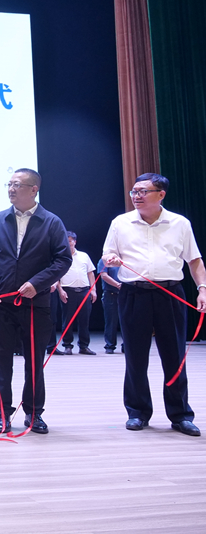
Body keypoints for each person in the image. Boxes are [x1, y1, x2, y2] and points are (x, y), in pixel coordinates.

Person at [102, 173, 206, 437]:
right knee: (135, 357)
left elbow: (194, 260)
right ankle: (137, 412)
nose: (136, 196)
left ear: (161, 194)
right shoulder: (120, 223)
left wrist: (202, 288)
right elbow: (107, 254)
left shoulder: (180, 223)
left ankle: (180, 415)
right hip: (133, 294)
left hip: (169, 294)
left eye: (143, 191)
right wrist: (111, 258)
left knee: (174, 356)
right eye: (134, 192)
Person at [0, 168, 71, 435]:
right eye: (9, 184)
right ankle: (2, 413)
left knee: (33, 362)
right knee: (1, 361)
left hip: (35, 304)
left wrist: (37, 283)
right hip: (2, 304)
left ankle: (33, 412)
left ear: (34, 190)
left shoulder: (51, 222)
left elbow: (63, 260)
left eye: (17, 185)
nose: (11, 189)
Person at [55, 231, 97, 355]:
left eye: (70, 241)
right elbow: (56, 275)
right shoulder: (60, 256)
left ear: (75, 242)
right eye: (66, 241)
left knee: (84, 320)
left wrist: (93, 290)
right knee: (67, 320)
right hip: (68, 291)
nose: (68, 243)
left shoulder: (84, 256)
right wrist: (60, 290)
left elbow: (90, 273)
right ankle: (67, 345)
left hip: (84, 291)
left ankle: (84, 346)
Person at [97, 257, 123, 354]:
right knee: (111, 321)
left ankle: (126, 346)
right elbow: (104, 275)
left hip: (125, 294)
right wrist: (118, 285)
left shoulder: (124, 259)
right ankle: (110, 345)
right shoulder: (104, 260)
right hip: (111, 294)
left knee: (127, 320)